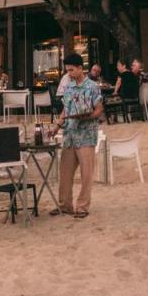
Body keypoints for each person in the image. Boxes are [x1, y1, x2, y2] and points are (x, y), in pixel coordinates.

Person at [51, 53, 103, 219]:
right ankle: (65, 205)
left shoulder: (93, 87)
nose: (69, 74)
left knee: (86, 173)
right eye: (67, 71)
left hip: (86, 134)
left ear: (81, 68)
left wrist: (88, 116)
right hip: (70, 134)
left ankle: (82, 207)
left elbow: (99, 109)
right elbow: (66, 109)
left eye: (72, 70)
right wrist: (57, 125)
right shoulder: (68, 87)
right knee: (65, 172)